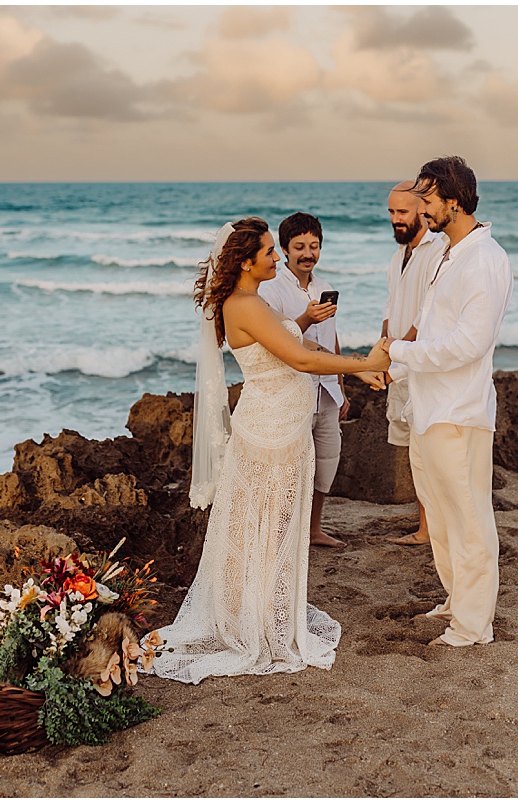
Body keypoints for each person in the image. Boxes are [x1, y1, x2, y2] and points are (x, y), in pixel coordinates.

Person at [148, 217, 389, 684]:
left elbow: (284, 342)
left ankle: (256, 610)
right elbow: (299, 359)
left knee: (263, 525)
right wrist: (363, 365)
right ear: (244, 261)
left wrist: (303, 323)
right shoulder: (246, 304)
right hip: (272, 430)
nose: (277, 258)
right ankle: (255, 623)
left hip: (278, 423)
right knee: (268, 524)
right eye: (269, 253)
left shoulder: (249, 303)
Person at [381, 157, 513, 647]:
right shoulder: (446, 253)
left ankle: (474, 625)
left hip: (459, 411)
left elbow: (468, 344)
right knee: (438, 514)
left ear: (454, 201)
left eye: (429, 198)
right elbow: (431, 327)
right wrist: (395, 366)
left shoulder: (486, 259)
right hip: (426, 406)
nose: (421, 207)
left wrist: (399, 351)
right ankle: (457, 600)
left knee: (469, 517)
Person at [258, 212, 348, 548]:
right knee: (291, 469)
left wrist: (341, 384)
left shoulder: (324, 288)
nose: (308, 253)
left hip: (327, 391)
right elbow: (280, 339)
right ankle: (284, 535)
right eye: (299, 247)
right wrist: (307, 318)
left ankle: (313, 530)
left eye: (314, 246)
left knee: (327, 462)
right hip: (293, 390)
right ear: (284, 249)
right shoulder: (271, 290)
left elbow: (332, 339)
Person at [380, 181, 445, 547]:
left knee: (427, 448)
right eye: (391, 212)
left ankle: (429, 529)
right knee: (410, 448)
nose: (395, 219)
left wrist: (401, 352)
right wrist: (382, 351)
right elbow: (391, 307)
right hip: (398, 359)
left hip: (419, 363)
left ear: (422, 210)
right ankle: (425, 527)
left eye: (401, 211)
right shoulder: (399, 255)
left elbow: (428, 314)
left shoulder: (436, 252)